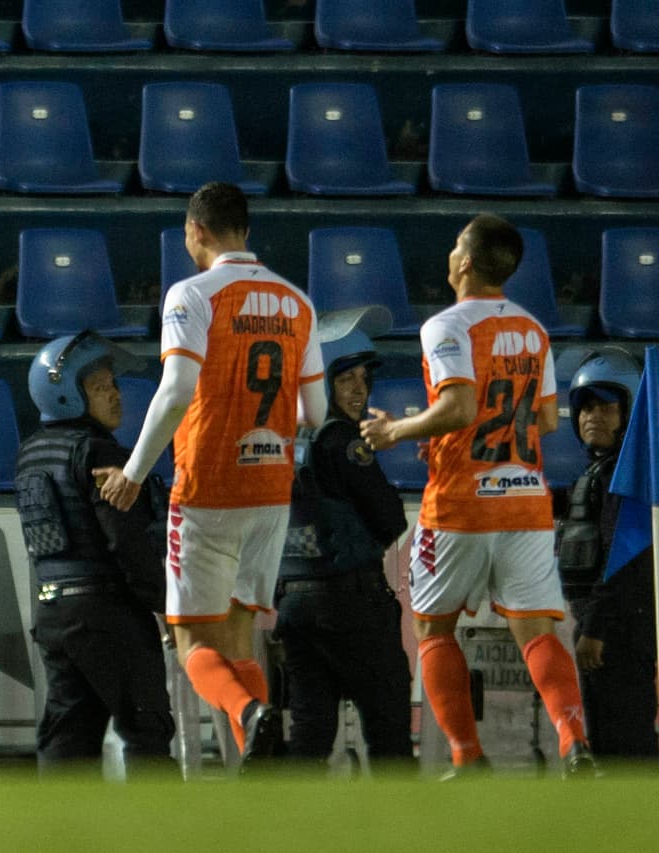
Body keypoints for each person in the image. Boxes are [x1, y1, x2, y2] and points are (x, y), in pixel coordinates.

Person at [97, 182, 327, 771]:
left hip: (208, 487)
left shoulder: (192, 294)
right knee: (240, 634)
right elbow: (316, 415)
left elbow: (176, 392)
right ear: (245, 230)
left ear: (195, 231)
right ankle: (258, 761)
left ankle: (251, 716)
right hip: (272, 488)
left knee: (192, 643)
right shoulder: (297, 302)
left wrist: (132, 470)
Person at [360, 214, 595, 778]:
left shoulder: (446, 326)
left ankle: (467, 756)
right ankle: (573, 739)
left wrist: (397, 431)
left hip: (462, 505)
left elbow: (462, 407)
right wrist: (450, 436)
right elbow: (545, 419)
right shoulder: (534, 330)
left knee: (432, 629)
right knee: (538, 633)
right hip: (525, 501)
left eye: (453, 246)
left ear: (464, 262)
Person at [16, 331, 175, 778]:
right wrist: (165, 605)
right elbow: (126, 541)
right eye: (99, 386)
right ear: (65, 393)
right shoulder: (100, 451)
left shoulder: (31, 453)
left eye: (113, 384)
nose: (115, 395)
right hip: (109, 613)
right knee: (147, 732)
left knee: (68, 740)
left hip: (53, 613)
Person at [274, 321, 413, 773]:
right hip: (351, 601)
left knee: (310, 734)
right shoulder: (342, 439)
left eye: (363, 379)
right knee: (388, 728)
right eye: (346, 378)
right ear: (322, 380)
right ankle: (400, 834)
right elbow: (390, 518)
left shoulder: (286, 438)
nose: (359, 389)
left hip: (294, 601)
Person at [556, 348, 655, 762]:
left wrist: (594, 630)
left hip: (617, 635)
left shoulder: (625, 479)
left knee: (623, 747)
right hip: (606, 629)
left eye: (607, 407)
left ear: (629, 413)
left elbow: (625, 560)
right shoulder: (599, 471)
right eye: (586, 407)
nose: (593, 416)